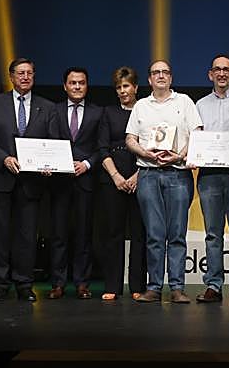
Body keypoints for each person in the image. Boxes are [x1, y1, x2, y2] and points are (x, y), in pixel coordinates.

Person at [125, 60, 203, 304]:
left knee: (177, 233)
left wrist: (180, 155)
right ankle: (154, 286)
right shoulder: (141, 106)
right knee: (154, 234)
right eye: (156, 73)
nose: (160, 76)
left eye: (165, 72)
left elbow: (197, 133)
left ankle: (177, 288)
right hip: (147, 174)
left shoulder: (184, 102)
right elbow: (130, 139)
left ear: (171, 77)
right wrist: (145, 153)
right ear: (149, 79)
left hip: (178, 173)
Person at [0, 58, 57, 302]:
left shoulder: (47, 107)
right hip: (0, 177)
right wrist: (4, 159)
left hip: (31, 182)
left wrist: (49, 165)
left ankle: (24, 283)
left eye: (29, 73)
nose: (25, 77)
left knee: (26, 235)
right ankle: (0, 283)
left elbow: (52, 144)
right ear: (11, 77)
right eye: (20, 73)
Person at [193, 54, 229, 304]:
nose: (221, 74)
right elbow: (195, 136)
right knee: (212, 233)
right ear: (210, 74)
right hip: (209, 175)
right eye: (217, 69)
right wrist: (195, 154)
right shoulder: (200, 105)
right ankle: (214, 285)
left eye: (226, 70)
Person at [47, 67, 107, 299]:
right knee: (59, 234)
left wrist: (87, 164)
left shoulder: (97, 112)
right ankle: (58, 283)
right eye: (73, 83)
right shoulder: (54, 110)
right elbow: (49, 140)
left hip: (86, 179)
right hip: (59, 180)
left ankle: (82, 283)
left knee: (84, 234)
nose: (77, 87)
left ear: (87, 86)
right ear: (65, 86)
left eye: (81, 83)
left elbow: (101, 146)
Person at [98, 67, 146, 301]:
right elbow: (102, 147)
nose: (122, 91)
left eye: (126, 86)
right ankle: (112, 286)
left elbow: (150, 146)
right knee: (113, 233)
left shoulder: (146, 110)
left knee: (139, 234)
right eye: (119, 87)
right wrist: (116, 176)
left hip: (141, 177)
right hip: (113, 180)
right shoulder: (108, 113)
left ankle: (138, 285)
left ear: (135, 87)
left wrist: (138, 175)